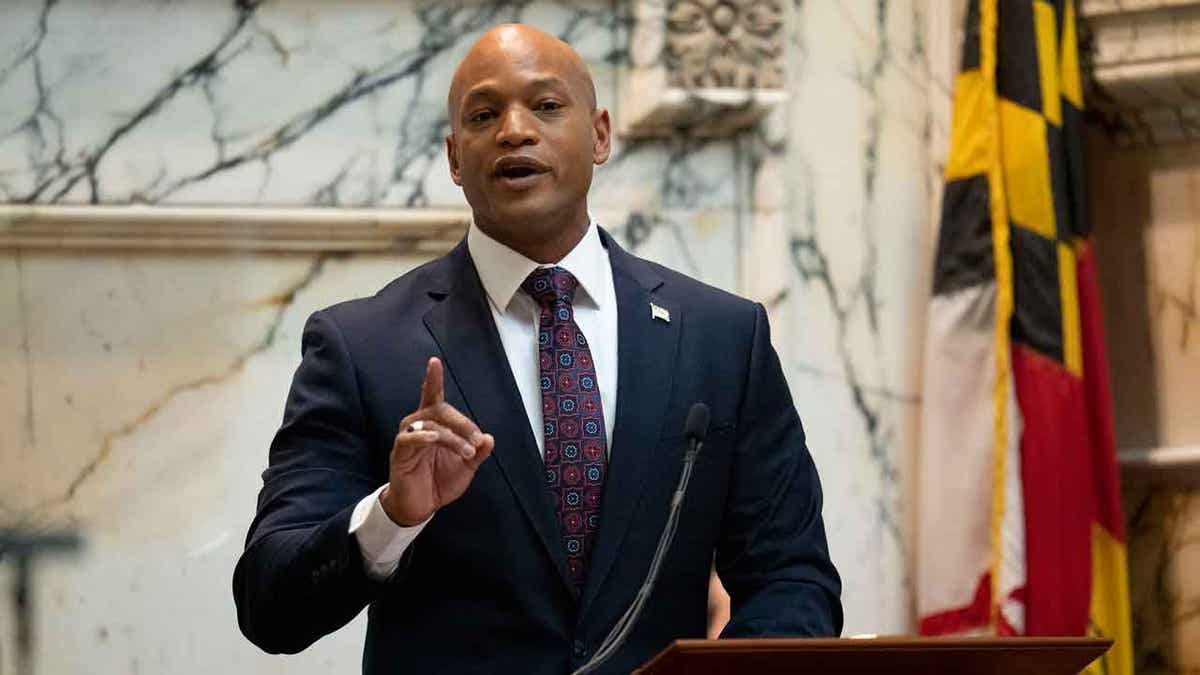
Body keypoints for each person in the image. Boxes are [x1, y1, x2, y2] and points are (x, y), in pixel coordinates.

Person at [232, 23, 841, 674]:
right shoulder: (362, 345)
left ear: (601, 133)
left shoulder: (721, 336)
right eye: (484, 114)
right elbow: (269, 603)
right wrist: (392, 516)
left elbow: (790, 577)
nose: (514, 130)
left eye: (547, 106)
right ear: (454, 158)